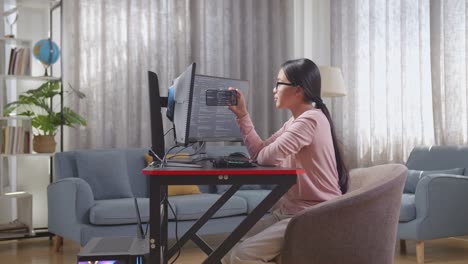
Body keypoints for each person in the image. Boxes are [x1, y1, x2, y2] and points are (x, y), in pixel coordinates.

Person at [223, 58, 349, 264]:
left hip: (313, 215)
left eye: (278, 83)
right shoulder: (295, 121)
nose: (274, 89)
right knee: (229, 247)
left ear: (298, 90)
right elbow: (259, 153)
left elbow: (266, 157)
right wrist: (242, 116)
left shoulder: (310, 120)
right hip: (290, 211)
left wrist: (262, 152)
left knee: (240, 256)